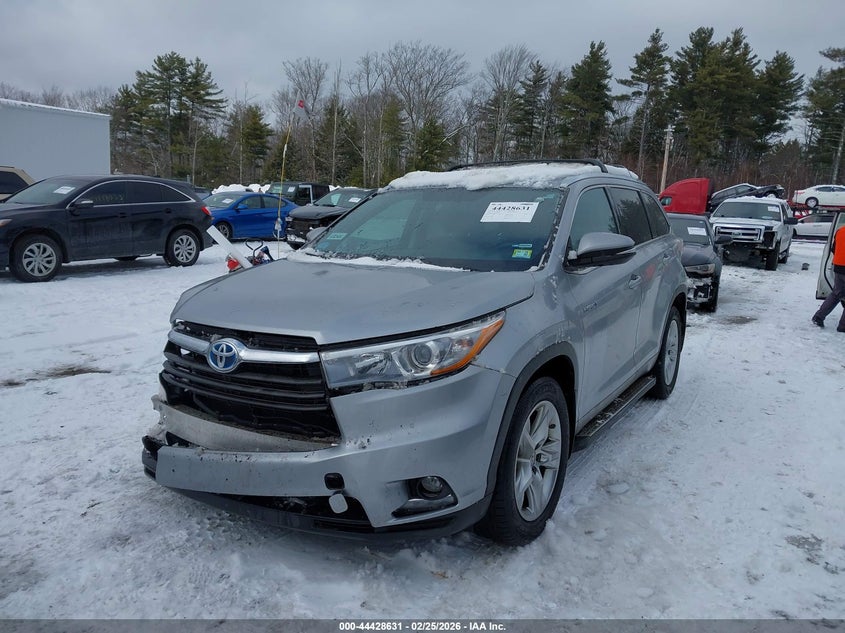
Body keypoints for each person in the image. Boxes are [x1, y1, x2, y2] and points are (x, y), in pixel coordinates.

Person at [812, 223, 845, 332]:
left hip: (838, 267)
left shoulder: (840, 231)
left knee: (836, 293)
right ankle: (843, 326)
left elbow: (833, 249)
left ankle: (818, 317)